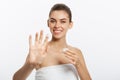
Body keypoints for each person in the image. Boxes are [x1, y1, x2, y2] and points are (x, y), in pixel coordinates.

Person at [13, 3, 91, 80]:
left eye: (63, 21)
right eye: (53, 21)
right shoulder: (40, 52)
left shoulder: (76, 53)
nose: (57, 25)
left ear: (70, 24)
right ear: (48, 23)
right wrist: (30, 65)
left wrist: (78, 64)